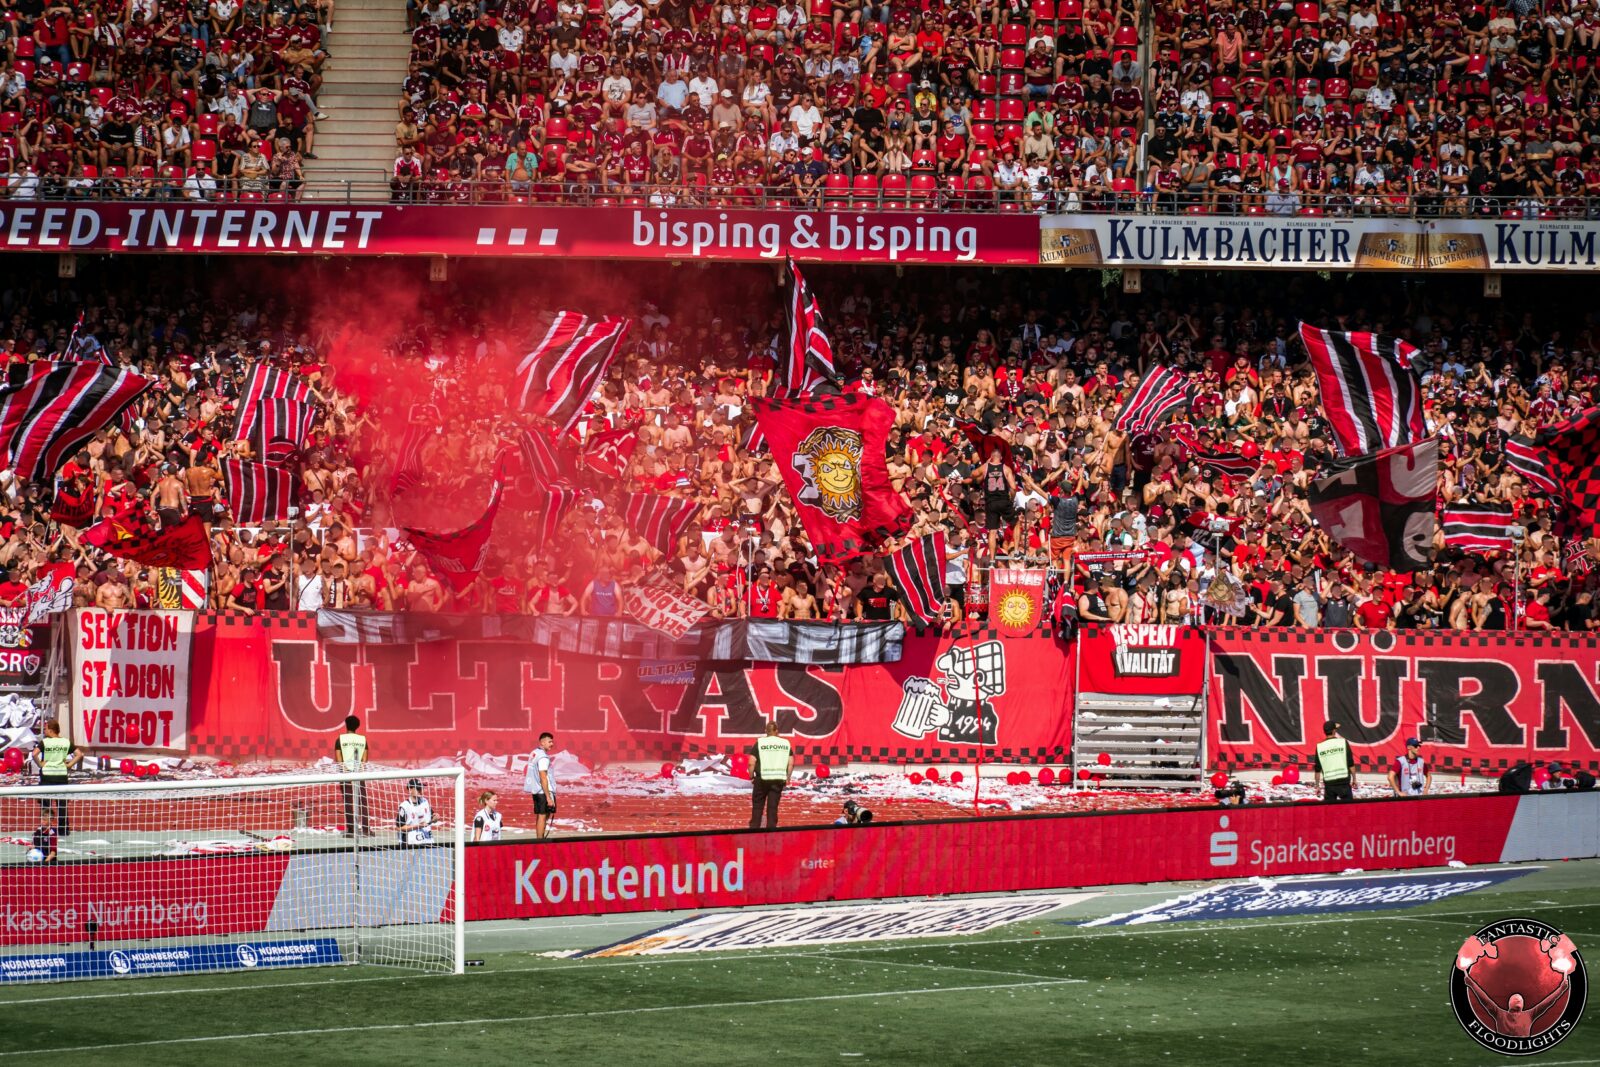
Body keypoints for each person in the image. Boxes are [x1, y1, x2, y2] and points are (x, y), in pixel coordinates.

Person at [31, 719, 81, 837]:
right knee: (62, 805)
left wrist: (40, 764)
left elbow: (34, 754)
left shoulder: (45, 742)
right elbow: (79, 754)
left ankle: (46, 829)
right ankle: (63, 830)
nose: (44, 730)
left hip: (47, 775)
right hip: (61, 776)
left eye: (46, 728)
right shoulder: (66, 742)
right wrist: (69, 765)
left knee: (45, 804)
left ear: (51, 730)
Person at [749, 721, 793, 829]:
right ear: (777, 731)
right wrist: (788, 778)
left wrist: (751, 776)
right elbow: (791, 763)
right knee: (773, 807)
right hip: (778, 779)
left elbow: (751, 762)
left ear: (765, 731)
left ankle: (754, 828)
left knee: (758, 806)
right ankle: (771, 829)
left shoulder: (760, 742)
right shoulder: (785, 743)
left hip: (761, 778)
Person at [334, 714, 369, 837]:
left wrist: (346, 772)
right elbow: (364, 759)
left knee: (348, 802)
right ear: (357, 726)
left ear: (346, 725)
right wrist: (358, 771)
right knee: (362, 802)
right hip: (359, 774)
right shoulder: (362, 740)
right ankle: (366, 829)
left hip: (346, 774)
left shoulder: (340, 739)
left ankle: (351, 830)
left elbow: (339, 759)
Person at [1313, 719, 1356, 802]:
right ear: (1333, 731)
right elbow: (1351, 763)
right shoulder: (1343, 743)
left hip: (1329, 784)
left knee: (1330, 810)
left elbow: (1317, 770)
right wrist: (1354, 779)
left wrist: (1317, 786)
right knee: (1349, 809)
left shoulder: (1319, 747)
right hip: (1343, 782)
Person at [524, 731, 556, 839]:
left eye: (552, 741)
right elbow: (543, 776)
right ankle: (540, 841)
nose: (552, 744)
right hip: (543, 791)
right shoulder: (543, 757)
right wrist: (548, 797)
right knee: (543, 816)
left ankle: (538, 839)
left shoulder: (534, 753)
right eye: (549, 742)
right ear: (542, 742)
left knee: (539, 816)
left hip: (536, 790)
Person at [396, 778, 435, 845]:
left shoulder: (425, 802)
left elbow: (432, 817)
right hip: (410, 844)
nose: (421, 791)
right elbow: (399, 828)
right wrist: (418, 826)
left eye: (421, 788)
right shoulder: (404, 806)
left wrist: (435, 818)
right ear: (410, 790)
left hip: (427, 841)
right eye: (418, 789)